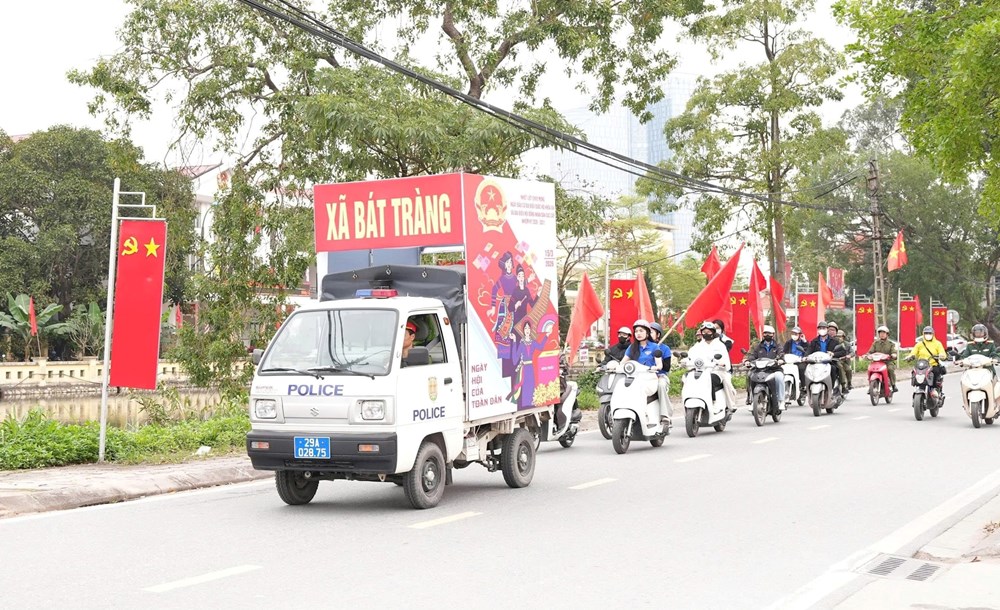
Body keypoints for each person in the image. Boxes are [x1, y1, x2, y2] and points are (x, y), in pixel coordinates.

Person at [621, 319, 671, 421]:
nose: (638, 333)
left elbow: (660, 365)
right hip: (635, 378)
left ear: (647, 333)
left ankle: (664, 414)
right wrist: (614, 366)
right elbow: (623, 362)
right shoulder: (632, 347)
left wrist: (656, 367)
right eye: (636, 331)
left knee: (659, 386)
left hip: (651, 377)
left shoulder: (655, 347)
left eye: (641, 331)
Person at [688, 321, 736, 406]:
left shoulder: (720, 345)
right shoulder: (697, 346)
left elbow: (726, 363)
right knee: (687, 378)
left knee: (709, 379)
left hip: (717, 372)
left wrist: (722, 364)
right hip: (700, 371)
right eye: (704, 332)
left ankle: (712, 401)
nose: (706, 334)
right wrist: (686, 362)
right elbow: (690, 357)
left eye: (708, 332)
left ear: (713, 332)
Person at [744, 325, 783, 404]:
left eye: (769, 333)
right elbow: (752, 355)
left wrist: (780, 360)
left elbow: (781, 354)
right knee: (749, 375)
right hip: (759, 369)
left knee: (779, 377)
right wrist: (747, 360)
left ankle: (780, 400)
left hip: (774, 369)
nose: (767, 335)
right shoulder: (757, 346)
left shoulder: (777, 346)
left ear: (773, 334)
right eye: (765, 333)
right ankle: (750, 398)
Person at [807, 321, 849, 392]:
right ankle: (807, 387)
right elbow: (809, 350)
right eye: (820, 328)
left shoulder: (835, 341)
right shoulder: (814, 341)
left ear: (826, 329)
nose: (822, 330)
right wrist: (806, 357)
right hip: (817, 362)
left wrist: (833, 354)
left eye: (824, 328)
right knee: (807, 368)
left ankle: (831, 388)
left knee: (833, 369)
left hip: (830, 362)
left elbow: (843, 351)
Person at [907, 325, 948, 395]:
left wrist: (941, 355)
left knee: (936, 372)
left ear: (933, 334)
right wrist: (910, 356)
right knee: (915, 372)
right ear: (923, 334)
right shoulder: (919, 344)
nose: (928, 335)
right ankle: (919, 387)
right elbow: (913, 352)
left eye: (929, 333)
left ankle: (935, 389)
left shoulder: (937, 344)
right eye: (926, 333)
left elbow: (942, 353)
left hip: (933, 365)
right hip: (922, 366)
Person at [866, 325, 899, 392]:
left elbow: (894, 352)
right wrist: (867, 355)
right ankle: (871, 386)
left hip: (888, 362)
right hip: (876, 362)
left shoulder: (891, 344)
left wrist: (893, 355)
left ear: (887, 334)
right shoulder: (875, 343)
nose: (882, 334)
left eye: (884, 333)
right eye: (880, 333)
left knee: (890, 369)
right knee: (870, 369)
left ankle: (893, 384)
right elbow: (870, 351)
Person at [783, 326, 809, 400]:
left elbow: (808, 349)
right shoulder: (789, 342)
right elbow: (784, 351)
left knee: (801, 368)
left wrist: (804, 341)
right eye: (793, 333)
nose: (794, 335)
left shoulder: (803, 343)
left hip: (800, 361)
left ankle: (803, 386)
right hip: (790, 361)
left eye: (796, 334)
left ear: (800, 334)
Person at [827, 321, 852, 390]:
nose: (831, 332)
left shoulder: (843, 343)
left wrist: (848, 356)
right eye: (829, 330)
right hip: (826, 360)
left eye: (833, 330)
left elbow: (845, 351)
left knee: (846, 369)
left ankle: (845, 384)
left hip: (840, 360)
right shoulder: (823, 339)